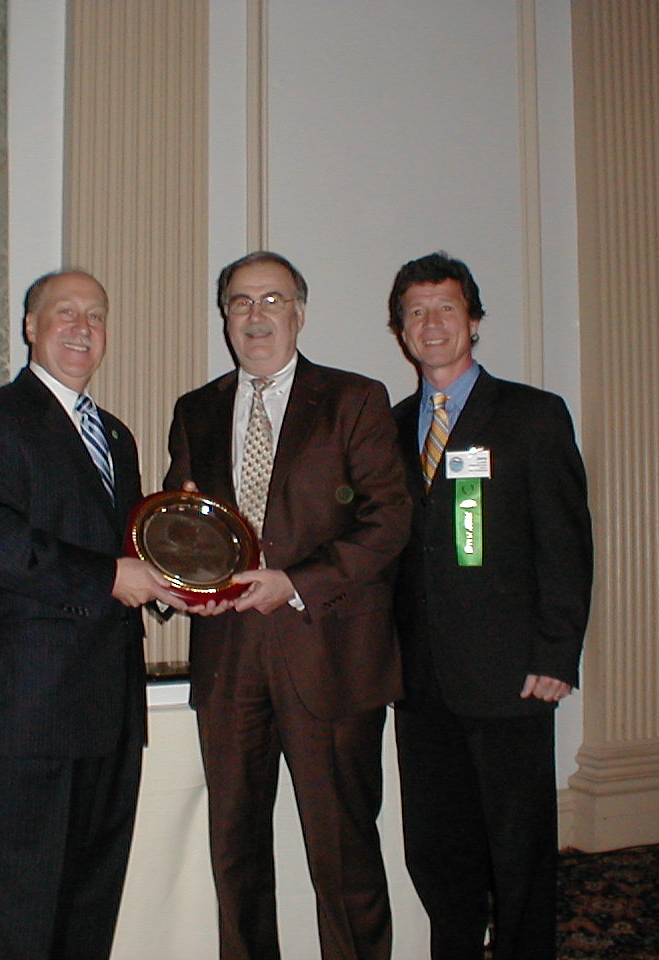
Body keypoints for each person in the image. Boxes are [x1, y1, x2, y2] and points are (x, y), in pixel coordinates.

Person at [164, 251, 412, 960]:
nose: (256, 315)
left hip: (329, 660)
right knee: (236, 858)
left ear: (300, 312)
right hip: (229, 663)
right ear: (224, 318)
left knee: (343, 859)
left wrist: (296, 580)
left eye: (273, 300)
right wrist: (187, 583)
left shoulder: (354, 399)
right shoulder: (198, 409)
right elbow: (184, 529)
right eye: (241, 302)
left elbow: (389, 519)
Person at [0, 270, 179, 960]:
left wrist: (179, 565)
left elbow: (132, 551)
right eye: (65, 313)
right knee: (19, 914)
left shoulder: (116, 434)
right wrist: (113, 576)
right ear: (29, 326)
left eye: (97, 316)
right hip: (28, 713)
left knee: (89, 905)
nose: (83, 328)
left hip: (110, 710)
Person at [386, 251, 593, 960]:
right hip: (420, 682)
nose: (431, 323)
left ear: (474, 322)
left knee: (520, 850)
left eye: (445, 308)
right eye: (416, 312)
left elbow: (566, 545)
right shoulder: (389, 426)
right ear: (401, 331)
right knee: (437, 848)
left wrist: (557, 653)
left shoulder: (533, 416)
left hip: (511, 676)